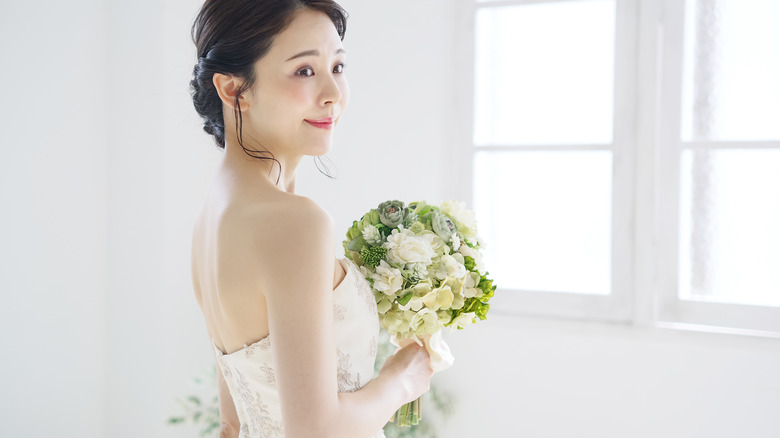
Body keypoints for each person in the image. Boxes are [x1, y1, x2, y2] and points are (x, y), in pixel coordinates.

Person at [188, 1, 433, 437]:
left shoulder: (215, 213)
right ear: (233, 89)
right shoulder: (294, 222)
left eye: (337, 66)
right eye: (304, 71)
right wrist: (404, 379)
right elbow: (316, 431)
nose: (333, 94)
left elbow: (231, 423)